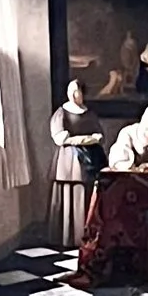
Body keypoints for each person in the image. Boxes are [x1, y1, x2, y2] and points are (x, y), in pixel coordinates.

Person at [48, 81, 105, 248]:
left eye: (77, 91)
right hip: (69, 160)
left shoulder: (90, 114)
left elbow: (100, 136)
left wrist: (82, 139)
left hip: (92, 158)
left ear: (83, 93)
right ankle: (68, 238)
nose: (74, 95)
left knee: (88, 194)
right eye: (70, 91)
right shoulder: (61, 113)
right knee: (70, 194)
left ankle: (88, 235)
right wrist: (87, 139)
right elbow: (61, 138)